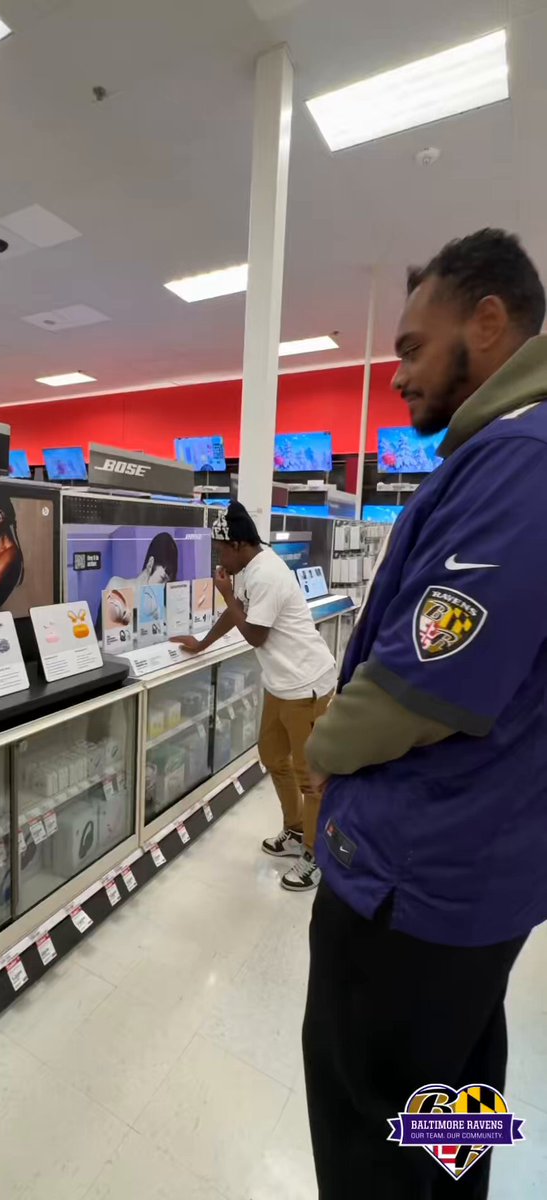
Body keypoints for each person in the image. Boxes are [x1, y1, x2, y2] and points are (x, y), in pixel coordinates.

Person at [302, 229, 547, 1198]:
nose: (396, 374)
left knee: (378, 1137)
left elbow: (426, 682)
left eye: (410, 345)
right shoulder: (504, 453)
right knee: (446, 1125)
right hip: (469, 887)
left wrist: (320, 756)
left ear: (488, 323)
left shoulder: (519, 464)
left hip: (415, 891)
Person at [172, 501, 336, 891]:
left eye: (222, 550)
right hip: (280, 684)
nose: (219, 557)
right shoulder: (248, 568)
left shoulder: (267, 576)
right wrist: (202, 642)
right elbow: (239, 612)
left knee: (309, 776)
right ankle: (296, 831)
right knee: (273, 756)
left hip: (307, 685)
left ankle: (315, 855)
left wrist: (226, 594)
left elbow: (256, 635)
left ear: (241, 544)